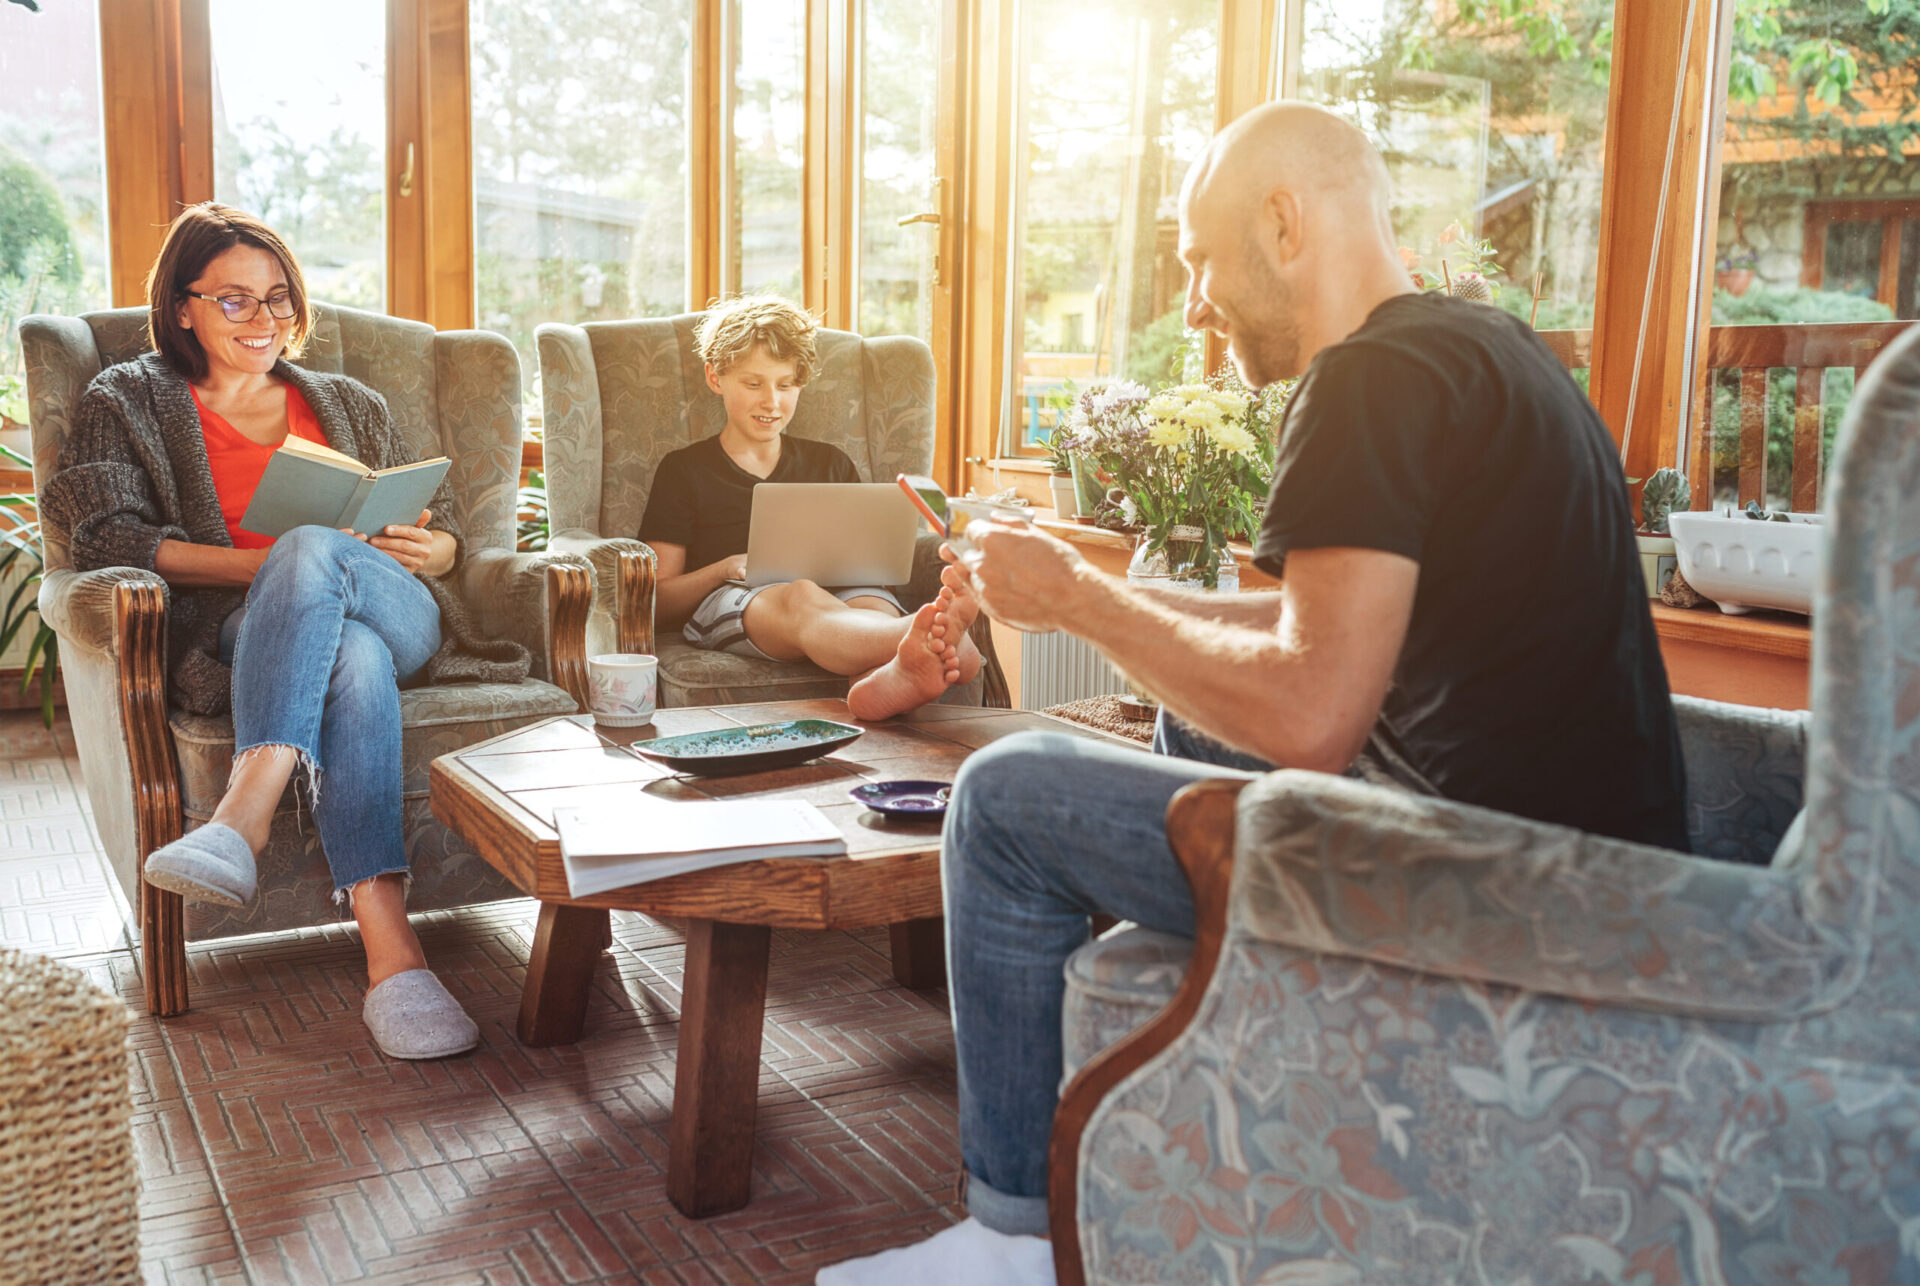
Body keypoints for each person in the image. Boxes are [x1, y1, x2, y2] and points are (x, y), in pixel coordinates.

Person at [817, 102, 1689, 1285]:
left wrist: (1079, 600)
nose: (1192, 302)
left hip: (1480, 891)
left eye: (1196, 260)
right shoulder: (1491, 352)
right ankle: (1186, 1099)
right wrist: (1089, 590)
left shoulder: (1366, 382)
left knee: (1007, 796)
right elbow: (1311, 633)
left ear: (1283, 223)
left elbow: (1311, 712)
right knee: (1184, 716)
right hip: (1583, 864)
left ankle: (1013, 1237)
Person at [42, 203, 533, 1060]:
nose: (262, 321)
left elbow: (446, 525)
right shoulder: (128, 399)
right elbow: (109, 538)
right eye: (234, 300)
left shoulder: (347, 402)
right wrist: (275, 567)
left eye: (278, 300)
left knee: (327, 571)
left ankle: (243, 815)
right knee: (348, 650)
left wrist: (437, 543)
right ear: (182, 304)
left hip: (404, 609)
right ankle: (395, 959)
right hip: (249, 631)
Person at [638, 295, 978, 719]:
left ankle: (886, 681)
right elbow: (657, 599)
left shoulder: (830, 462)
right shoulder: (684, 470)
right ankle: (925, 634)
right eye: (753, 383)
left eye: (785, 385)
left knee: (871, 603)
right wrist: (725, 567)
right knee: (800, 594)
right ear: (715, 378)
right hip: (738, 600)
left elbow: (871, 566)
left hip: (843, 594)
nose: (772, 402)